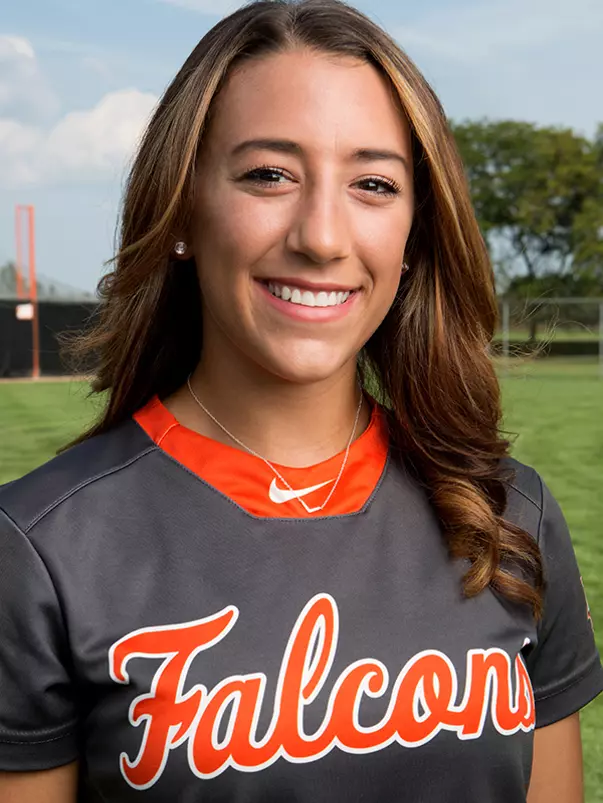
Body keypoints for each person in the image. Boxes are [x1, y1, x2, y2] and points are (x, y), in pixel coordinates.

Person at [0, 0, 601, 800]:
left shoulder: (510, 513)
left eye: (373, 183)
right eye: (268, 174)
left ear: (414, 235)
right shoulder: (38, 551)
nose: (321, 235)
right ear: (182, 209)